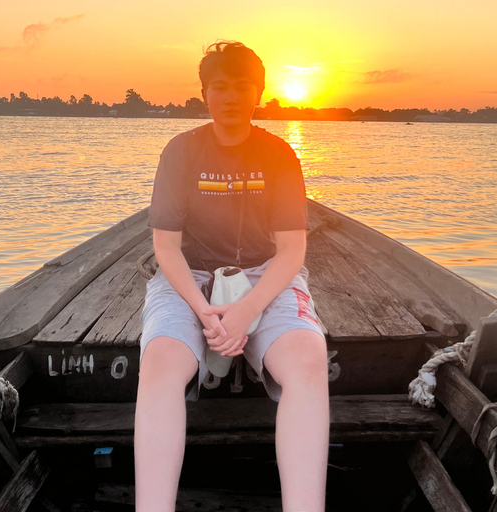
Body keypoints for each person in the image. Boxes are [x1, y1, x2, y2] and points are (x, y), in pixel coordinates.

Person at [134, 41, 329, 512]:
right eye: (219, 86)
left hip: (266, 274)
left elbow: (291, 249)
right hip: (190, 275)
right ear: (205, 93)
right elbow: (166, 246)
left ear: (258, 93)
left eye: (242, 86)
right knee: (160, 360)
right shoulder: (181, 152)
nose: (230, 95)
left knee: (307, 356)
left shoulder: (280, 154)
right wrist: (204, 311)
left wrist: (248, 309)